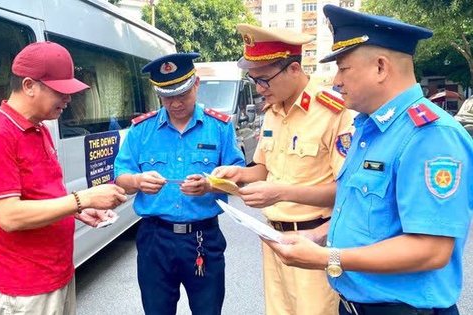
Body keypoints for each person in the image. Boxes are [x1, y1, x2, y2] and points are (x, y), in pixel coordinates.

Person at [264, 5, 473, 315]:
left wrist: (329, 258)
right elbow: (364, 215)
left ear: (380, 68)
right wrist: (315, 235)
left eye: (343, 68)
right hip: (354, 306)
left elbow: (431, 250)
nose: (335, 81)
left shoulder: (430, 136)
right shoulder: (369, 129)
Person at [0, 41, 127, 315]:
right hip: (26, 288)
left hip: (57, 272)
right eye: (60, 91)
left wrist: (79, 211)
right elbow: (10, 216)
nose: (68, 99)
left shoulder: (40, 129)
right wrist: (82, 198)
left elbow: (44, 195)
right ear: (29, 86)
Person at [211, 24, 355, 315]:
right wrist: (238, 174)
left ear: (293, 69)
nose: (260, 89)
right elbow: (264, 168)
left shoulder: (334, 112)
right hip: (274, 241)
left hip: (316, 240)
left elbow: (347, 191)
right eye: (254, 81)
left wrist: (280, 193)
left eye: (264, 80)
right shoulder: (273, 111)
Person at [114, 52, 245, 315]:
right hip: (155, 238)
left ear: (196, 84)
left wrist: (210, 185)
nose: (175, 104)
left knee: (207, 310)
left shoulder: (218, 127)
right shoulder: (142, 130)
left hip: (203, 238)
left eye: (182, 94)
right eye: (167, 97)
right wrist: (138, 181)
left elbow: (238, 178)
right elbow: (121, 179)